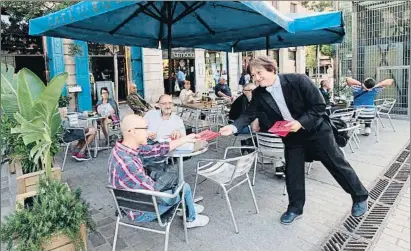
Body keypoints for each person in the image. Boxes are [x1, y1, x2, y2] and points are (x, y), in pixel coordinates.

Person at [219, 56, 369, 225]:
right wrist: (233, 127)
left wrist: (300, 123)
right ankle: (295, 208)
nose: (257, 78)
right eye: (253, 75)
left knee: (337, 164)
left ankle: (360, 196)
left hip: (316, 130)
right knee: (293, 171)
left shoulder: (298, 80)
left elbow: (319, 106)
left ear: (272, 69)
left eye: (259, 73)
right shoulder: (259, 93)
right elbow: (249, 113)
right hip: (291, 135)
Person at [108, 114, 209, 228]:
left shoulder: (124, 148)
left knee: (171, 181)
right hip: (142, 211)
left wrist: (185, 139)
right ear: (133, 132)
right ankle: (191, 218)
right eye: (145, 129)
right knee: (183, 187)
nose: (148, 133)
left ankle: (186, 205)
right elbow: (155, 190)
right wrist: (172, 183)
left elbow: (157, 149)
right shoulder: (127, 162)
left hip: (132, 202)